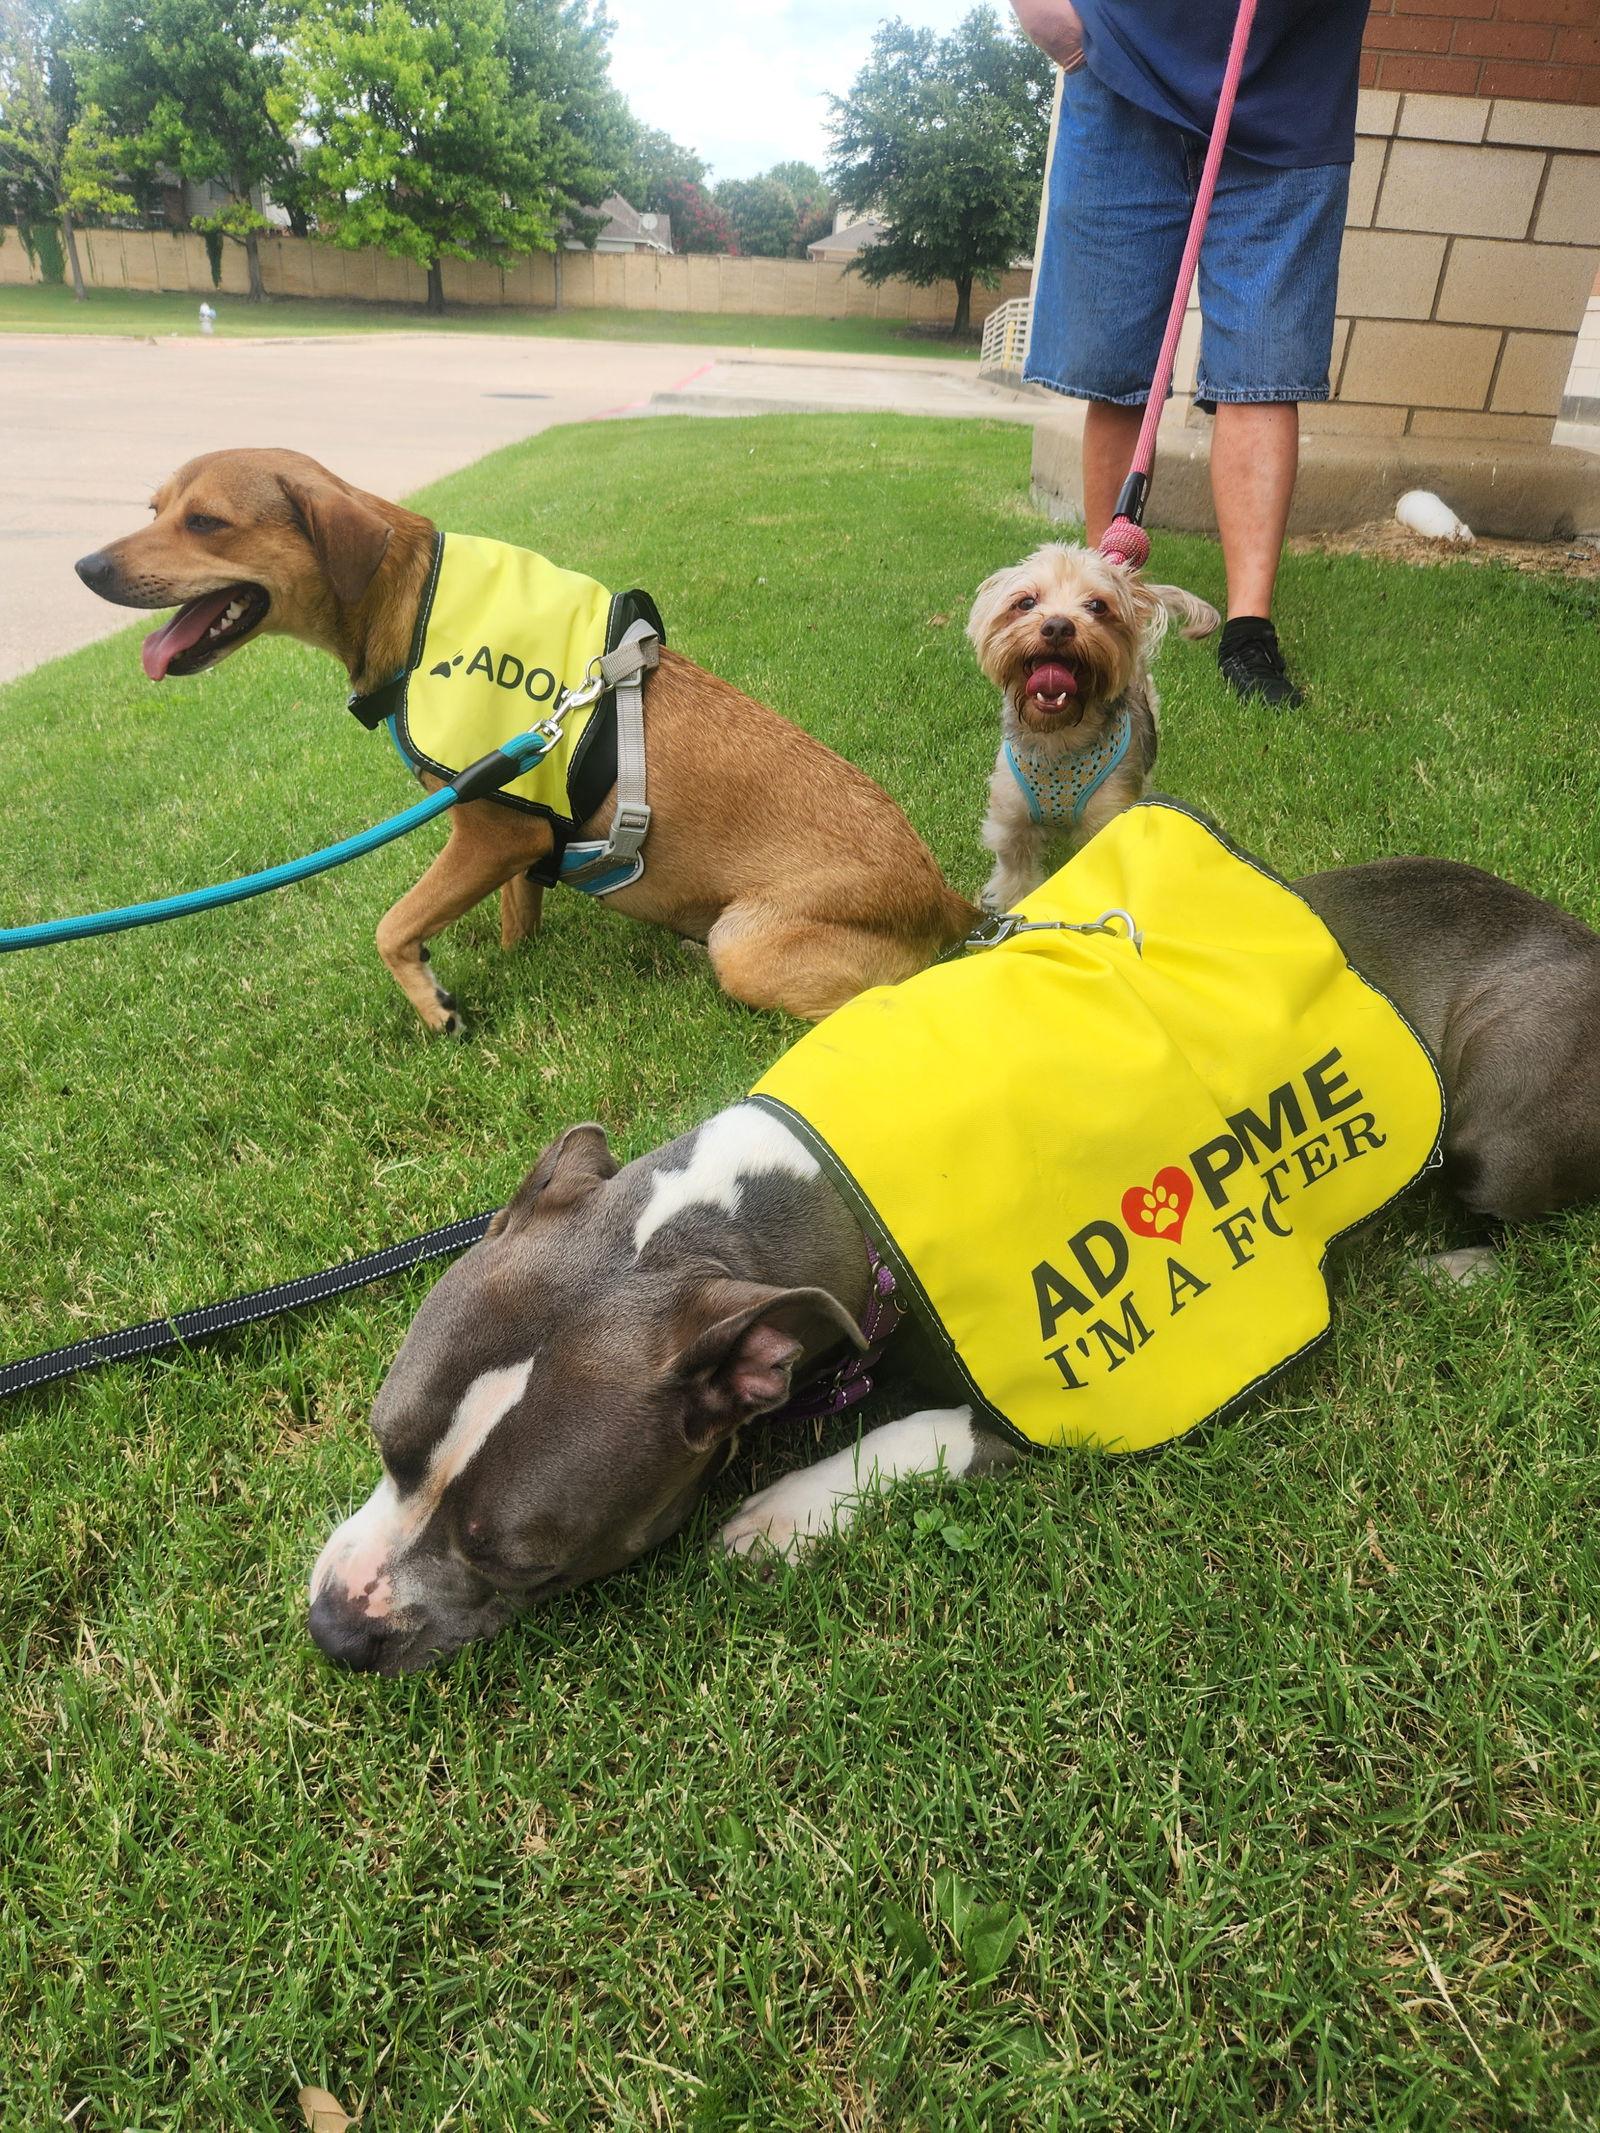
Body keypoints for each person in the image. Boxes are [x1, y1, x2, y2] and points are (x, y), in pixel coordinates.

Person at [1011, 0, 1371, 707]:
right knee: (1116, 371)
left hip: (1291, 88)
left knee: (1264, 373)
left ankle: (1248, 634)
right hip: (1119, 64)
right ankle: (1100, 608)